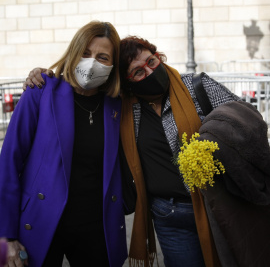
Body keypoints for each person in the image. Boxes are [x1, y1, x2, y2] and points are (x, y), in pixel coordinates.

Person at [23, 36, 270, 267]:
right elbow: (85, 89)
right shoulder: (124, 107)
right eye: (138, 72)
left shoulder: (197, 86)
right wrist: (43, 74)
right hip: (168, 216)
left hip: (218, 205)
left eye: (151, 62)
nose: (150, 71)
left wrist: (211, 140)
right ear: (127, 82)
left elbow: (246, 119)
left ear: (157, 56)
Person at [0, 21, 128, 267]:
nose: (92, 63)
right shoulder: (40, 92)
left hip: (96, 227)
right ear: (73, 53)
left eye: (103, 57)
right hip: (41, 222)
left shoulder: (117, 105)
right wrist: (6, 236)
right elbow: (9, 162)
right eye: (85, 53)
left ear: (112, 66)